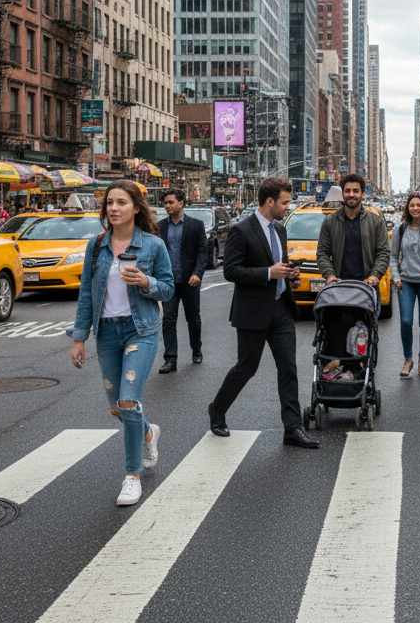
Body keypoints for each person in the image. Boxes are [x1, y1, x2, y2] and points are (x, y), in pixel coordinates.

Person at [68, 180, 175, 506]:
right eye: (110, 203)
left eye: (121, 202)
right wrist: (79, 338)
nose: (113, 208)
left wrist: (146, 282)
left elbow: (168, 289)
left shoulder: (153, 246)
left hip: (140, 331)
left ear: (136, 207)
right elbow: (87, 292)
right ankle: (147, 432)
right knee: (118, 407)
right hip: (107, 332)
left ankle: (132, 476)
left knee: (129, 402)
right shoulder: (96, 245)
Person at [207, 177, 318, 449]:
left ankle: (292, 428)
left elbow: (279, 267)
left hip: (281, 308)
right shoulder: (241, 230)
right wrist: (270, 273)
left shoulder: (280, 230)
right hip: (253, 311)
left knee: (288, 368)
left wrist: (290, 276)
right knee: (247, 367)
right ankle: (217, 410)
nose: (287, 206)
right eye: (284, 202)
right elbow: (230, 270)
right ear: (270, 201)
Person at [157, 189, 210, 374]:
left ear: (181, 203)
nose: (167, 206)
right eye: (165, 203)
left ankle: (196, 349)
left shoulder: (196, 225)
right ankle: (170, 359)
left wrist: (197, 274)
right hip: (169, 282)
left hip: (190, 281)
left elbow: (203, 252)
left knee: (193, 319)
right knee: (169, 319)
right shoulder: (160, 226)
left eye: (171, 202)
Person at [390, 192, 420, 378]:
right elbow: (393, 256)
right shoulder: (400, 229)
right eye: (412, 205)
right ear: (407, 208)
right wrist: (396, 276)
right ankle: (408, 359)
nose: (415, 208)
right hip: (406, 282)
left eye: (419, 205)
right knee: (406, 322)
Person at [317, 173, 391, 290]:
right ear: (342, 193)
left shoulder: (376, 221)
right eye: (347, 191)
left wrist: (374, 276)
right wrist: (330, 275)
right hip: (338, 287)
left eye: (355, 191)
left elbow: (383, 252)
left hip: (367, 287)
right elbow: (322, 253)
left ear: (363, 194)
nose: (351, 195)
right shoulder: (330, 221)